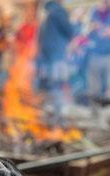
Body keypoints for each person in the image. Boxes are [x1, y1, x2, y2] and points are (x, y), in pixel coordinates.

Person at [37, 0, 74, 128]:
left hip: (47, 59)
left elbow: (40, 40)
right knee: (58, 88)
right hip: (57, 58)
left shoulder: (46, 14)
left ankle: (51, 117)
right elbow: (70, 31)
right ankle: (59, 119)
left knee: (50, 88)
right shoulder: (59, 12)